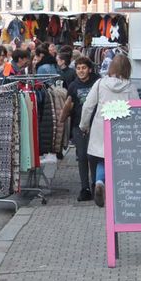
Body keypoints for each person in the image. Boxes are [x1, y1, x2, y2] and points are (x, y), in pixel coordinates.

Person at [80, 55, 138, 208]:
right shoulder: (130, 87)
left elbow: (88, 106)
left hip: (102, 127)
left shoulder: (100, 84)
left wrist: (84, 125)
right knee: (120, 161)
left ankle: (99, 182)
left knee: (102, 159)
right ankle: (119, 192)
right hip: (123, 129)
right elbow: (137, 109)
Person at [61, 57, 99, 202]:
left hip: (96, 125)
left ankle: (96, 185)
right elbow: (69, 105)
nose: (81, 71)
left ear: (89, 69)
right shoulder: (73, 86)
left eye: (84, 68)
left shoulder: (97, 82)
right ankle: (85, 188)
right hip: (79, 126)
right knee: (82, 157)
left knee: (94, 157)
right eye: (78, 68)